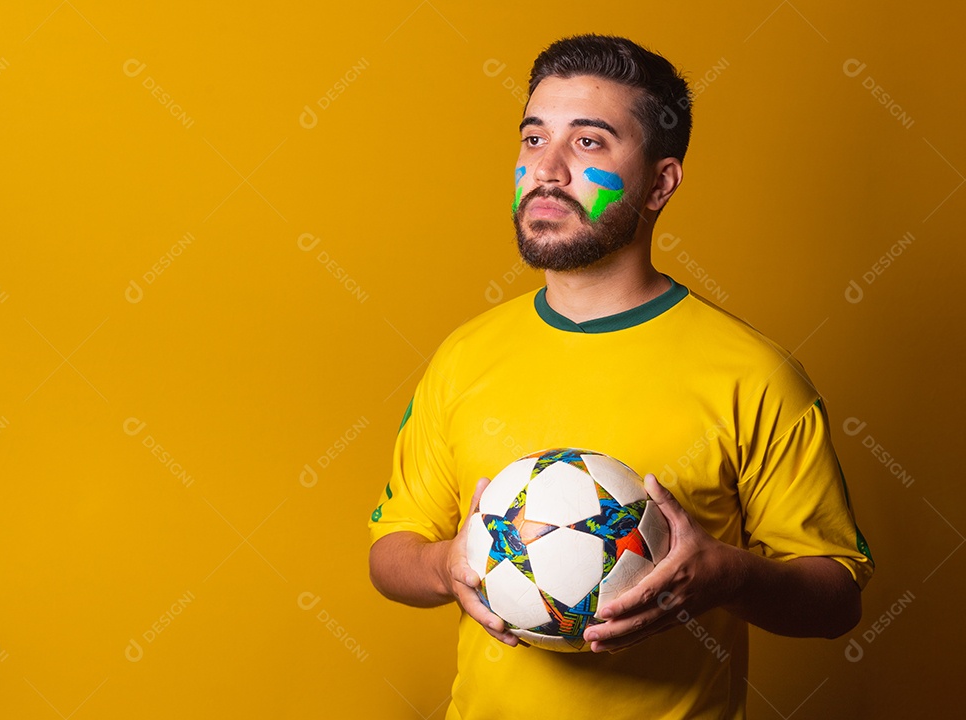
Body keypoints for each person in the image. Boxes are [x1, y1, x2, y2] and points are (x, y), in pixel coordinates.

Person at [367, 34, 873, 719]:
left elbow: (836, 596)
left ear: (660, 183)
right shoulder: (465, 355)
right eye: (533, 138)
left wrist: (725, 575)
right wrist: (446, 565)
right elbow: (391, 548)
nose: (546, 171)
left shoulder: (755, 374)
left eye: (588, 144)